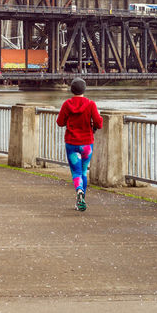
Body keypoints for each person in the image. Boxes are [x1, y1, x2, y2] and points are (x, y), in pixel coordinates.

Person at [56, 76, 102, 212]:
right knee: (83, 172)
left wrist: (69, 122)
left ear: (71, 90)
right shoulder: (91, 104)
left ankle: (79, 191)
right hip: (87, 144)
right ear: (84, 89)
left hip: (71, 143)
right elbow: (99, 123)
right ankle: (81, 199)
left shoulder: (66, 104)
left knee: (76, 172)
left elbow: (59, 122)